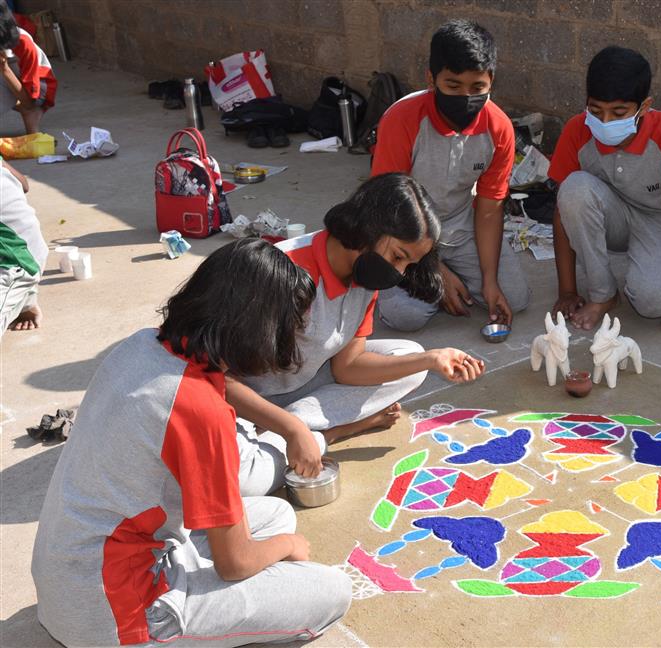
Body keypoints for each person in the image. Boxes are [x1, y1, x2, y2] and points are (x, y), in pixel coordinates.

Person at [31, 238, 352, 647]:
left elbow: (221, 391)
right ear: (260, 329)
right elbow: (235, 563)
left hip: (69, 577)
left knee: (274, 513)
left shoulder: (143, 344)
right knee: (329, 589)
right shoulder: (201, 412)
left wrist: (290, 427)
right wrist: (290, 547)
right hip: (115, 617)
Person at [226, 173, 486, 496]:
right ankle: (325, 432)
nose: (399, 273)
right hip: (244, 404)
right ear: (369, 228)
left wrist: (432, 359)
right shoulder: (283, 271)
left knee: (410, 360)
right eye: (398, 257)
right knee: (239, 480)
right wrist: (291, 428)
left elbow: (347, 366)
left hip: (302, 387)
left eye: (408, 264)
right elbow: (218, 380)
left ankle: (293, 433)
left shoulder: (366, 276)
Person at [370, 19, 529, 332]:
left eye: (477, 88)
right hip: (400, 230)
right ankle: (421, 282)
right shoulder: (401, 119)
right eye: (453, 86)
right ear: (431, 79)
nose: (465, 97)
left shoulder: (498, 128)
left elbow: (488, 210)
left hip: (459, 227)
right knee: (407, 316)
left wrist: (489, 280)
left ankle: (447, 281)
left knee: (514, 297)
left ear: (491, 81)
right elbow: (388, 208)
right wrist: (434, 272)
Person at [548, 46, 661, 334]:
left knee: (655, 302)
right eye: (596, 110)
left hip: (659, 221)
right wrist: (568, 291)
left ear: (644, 107)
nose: (605, 121)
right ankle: (604, 295)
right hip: (612, 217)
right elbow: (563, 213)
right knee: (574, 189)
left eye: (619, 112)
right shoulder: (577, 130)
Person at [1, 158, 46, 335]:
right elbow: (23, 184)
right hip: (28, 245)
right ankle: (22, 301)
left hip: (15, 262)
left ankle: (20, 294)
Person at [0, 4, 56, 134]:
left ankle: (34, 114)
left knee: (30, 108)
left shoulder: (24, 44)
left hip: (38, 90)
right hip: (7, 76)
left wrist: (5, 69)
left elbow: (30, 101)